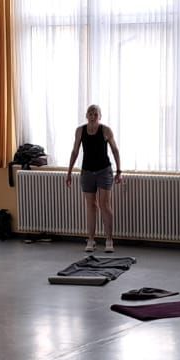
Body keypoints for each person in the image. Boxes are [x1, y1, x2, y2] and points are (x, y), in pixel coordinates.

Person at [63, 104, 123, 252]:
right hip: (87, 172)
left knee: (104, 204)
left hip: (104, 171)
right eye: (90, 113)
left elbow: (115, 150)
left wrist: (119, 171)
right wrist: (69, 173)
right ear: (86, 116)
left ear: (99, 116)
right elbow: (75, 152)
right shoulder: (80, 131)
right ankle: (91, 240)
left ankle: (109, 240)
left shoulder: (106, 130)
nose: (93, 116)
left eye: (96, 114)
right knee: (91, 206)